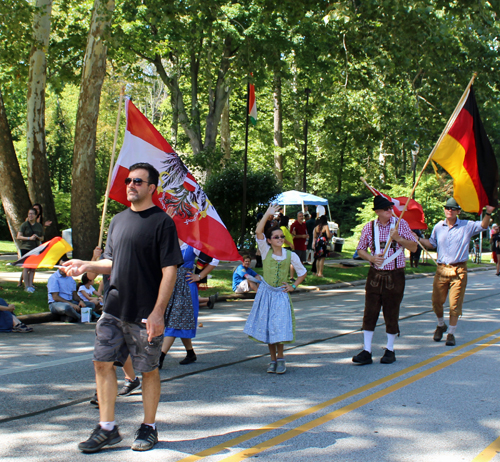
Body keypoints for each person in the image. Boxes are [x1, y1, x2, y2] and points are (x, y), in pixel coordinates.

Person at [64, 162, 183, 453]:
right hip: (114, 308)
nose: (131, 185)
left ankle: (149, 427)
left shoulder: (162, 223)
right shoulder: (117, 221)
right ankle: (107, 428)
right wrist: (87, 265)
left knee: (148, 370)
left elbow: (170, 271)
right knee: (102, 363)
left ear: (152, 188)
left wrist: (158, 312)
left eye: (138, 182)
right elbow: (111, 262)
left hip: (145, 312)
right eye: (129, 180)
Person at [418, 198, 494, 346]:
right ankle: (441, 325)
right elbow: (431, 244)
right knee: (436, 302)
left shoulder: (467, 225)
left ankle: (451, 334)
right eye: (447, 208)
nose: (449, 210)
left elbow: (484, 225)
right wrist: (419, 239)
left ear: (458, 211)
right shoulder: (438, 227)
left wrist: (488, 213)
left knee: (454, 305)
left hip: (458, 270)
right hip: (441, 269)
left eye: (453, 208)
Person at [352, 195, 418, 365]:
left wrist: (398, 239)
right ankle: (367, 350)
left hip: (395, 275)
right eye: (387, 208)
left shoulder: (400, 224)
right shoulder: (369, 227)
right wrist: (371, 258)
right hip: (375, 274)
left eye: (391, 208)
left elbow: (414, 246)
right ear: (378, 212)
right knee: (370, 312)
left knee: (391, 311)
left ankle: (390, 349)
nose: (391, 210)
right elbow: (360, 250)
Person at [244, 204, 307, 374]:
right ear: (270, 240)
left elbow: (302, 272)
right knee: (269, 327)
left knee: (279, 326)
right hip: (266, 294)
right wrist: (267, 214)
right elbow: (258, 232)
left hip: (280, 295)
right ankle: (272, 359)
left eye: (281, 236)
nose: (279, 239)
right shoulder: (266, 251)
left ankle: (281, 357)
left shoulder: (290, 255)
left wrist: (293, 286)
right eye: (276, 237)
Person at [159, 242, 218, 369]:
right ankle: (190, 353)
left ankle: (160, 357)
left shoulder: (192, 243)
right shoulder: (168, 240)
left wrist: (199, 276)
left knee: (175, 320)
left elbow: (214, 258)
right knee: (179, 320)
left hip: (184, 286)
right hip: (169, 285)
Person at [16, 208, 44, 293]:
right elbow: (18, 236)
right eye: (29, 214)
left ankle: (31, 285)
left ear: (36, 216)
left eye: (32, 214)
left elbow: (42, 237)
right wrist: (29, 238)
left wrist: (38, 237)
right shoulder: (24, 225)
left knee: (33, 268)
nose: (30, 216)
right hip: (26, 248)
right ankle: (26, 286)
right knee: (26, 267)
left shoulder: (39, 226)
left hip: (35, 248)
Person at [290, 211, 308, 280]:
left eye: (302, 216)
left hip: (303, 245)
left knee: (301, 261)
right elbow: (292, 236)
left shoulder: (304, 225)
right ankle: (292, 277)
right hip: (296, 245)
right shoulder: (294, 225)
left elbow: (305, 233)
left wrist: (306, 236)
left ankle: (301, 276)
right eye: (300, 216)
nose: (301, 217)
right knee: (294, 261)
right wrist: (302, 236)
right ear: (297, 217)